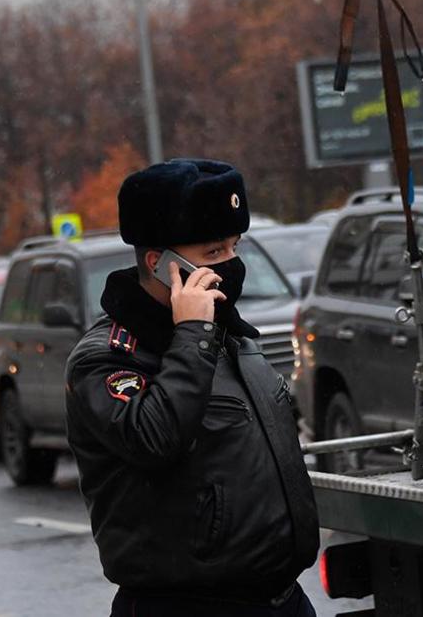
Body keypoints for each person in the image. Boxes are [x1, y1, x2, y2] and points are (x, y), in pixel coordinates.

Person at [65, 158, 319, 616]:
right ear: (160, 264)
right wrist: (192, 335)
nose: (231, 264)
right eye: (213, 253)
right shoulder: (107, 356)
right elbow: (154, 439)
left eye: (234, 246)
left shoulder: (229, 338)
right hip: (186, 604)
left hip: (281, 599)